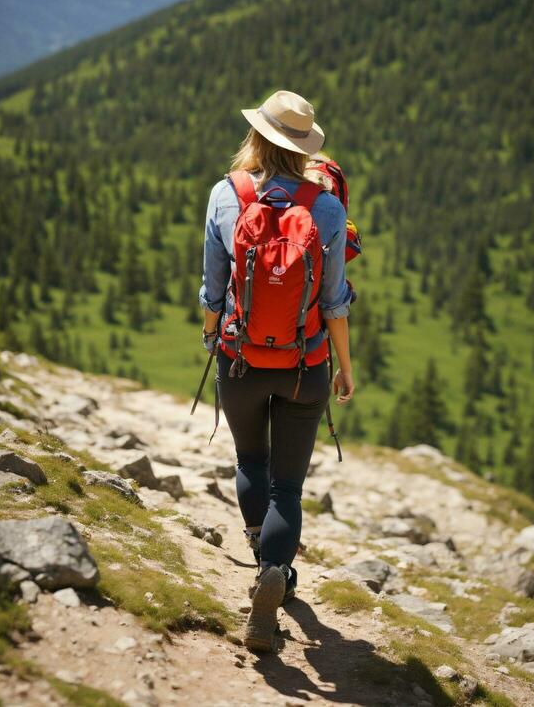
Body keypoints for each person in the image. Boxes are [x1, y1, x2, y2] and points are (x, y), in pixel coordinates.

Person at [198, 89, 356, 653]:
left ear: (257, 137)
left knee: (251, 461)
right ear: (304, 148)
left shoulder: (226, 195)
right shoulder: (329, 208)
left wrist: (212, 336)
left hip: (240, 359)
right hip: (304, 364)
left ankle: (257, 549)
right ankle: (275, 571)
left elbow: (212, 289)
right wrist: (343, 367)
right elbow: (334, 301)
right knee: (288, 486)